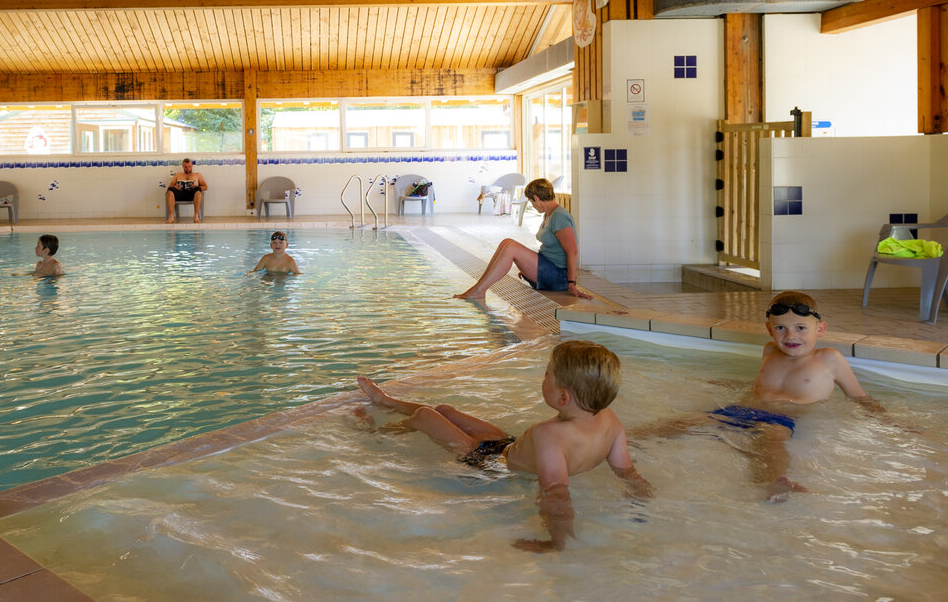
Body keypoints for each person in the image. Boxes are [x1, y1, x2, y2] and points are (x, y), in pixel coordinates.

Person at [354, 339, 652, 552]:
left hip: (490, 465)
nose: (543, 376)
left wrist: (556, 542)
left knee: (425, 416)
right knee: (445, 411)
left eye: (547, 373)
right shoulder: (610, 420)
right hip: (507, 448)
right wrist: (642, 497)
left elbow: (556, 496)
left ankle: (376, 434)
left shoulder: (550, 436)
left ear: (563, 397)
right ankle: (387, 402)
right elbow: (626, 471)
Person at [639, 291, 884, 501]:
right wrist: (727, 385)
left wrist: (888, 421)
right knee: (687, 422)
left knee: (771, 442)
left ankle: (776, 481)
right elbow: (761, 386)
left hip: (782, 418)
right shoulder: (769, 351)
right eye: (781, 328)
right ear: (769, 329)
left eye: (800, 328)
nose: (790, 336)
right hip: (743, 409)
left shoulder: (829, 359)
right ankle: (631, 439)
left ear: (820, 329)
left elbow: (858, 396)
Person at [455, 177, 591, 301]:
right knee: (506, 242)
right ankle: (478, 287)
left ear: (536, 198)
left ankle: (479, 290)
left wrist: (571, 284)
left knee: (511, 248)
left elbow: (572, 251)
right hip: (547, 268)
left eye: (531, 201)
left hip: (559, 277)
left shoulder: (560, 216)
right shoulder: (549, 214)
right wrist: (527, 264)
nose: (532, 205)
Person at [165, 158, 207, 223]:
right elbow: (169, 187)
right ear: (182, 166)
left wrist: (196, 186)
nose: (187, 169)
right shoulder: (177, 175)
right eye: (185, 167)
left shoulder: (197, 175)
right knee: (170, 191)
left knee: (198, 191)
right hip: (179, 194)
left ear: (192, 166)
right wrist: (175, 187)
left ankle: (196, 216)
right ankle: (171, 216)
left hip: (192, 195)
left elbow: (205, 187)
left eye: (189, 166)